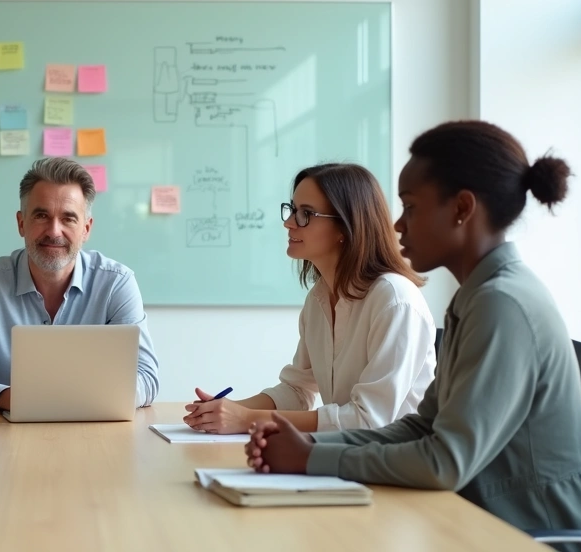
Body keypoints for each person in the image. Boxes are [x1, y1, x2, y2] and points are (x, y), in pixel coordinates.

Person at [244, 121, 581, 541]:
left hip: (537, 535)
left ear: (461, 209)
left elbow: (444, 462)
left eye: (411, 207)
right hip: (485, 520)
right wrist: (312, 447)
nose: (397, 225)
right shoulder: (476, 297)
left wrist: (312, 458)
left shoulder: (500, 304)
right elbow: (422, 427)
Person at [184, 163, 436, 434]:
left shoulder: (395, 301)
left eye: (306, 214)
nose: (288, 223)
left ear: (345, 226)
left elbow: (368, 420)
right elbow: (297, 390)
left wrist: (246, 419)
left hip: (395, 455)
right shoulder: (318, 299)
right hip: (347, 451)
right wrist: (226, 410)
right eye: (292, 209)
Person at [0, 157, 159, 413]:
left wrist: (70, 400)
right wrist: (18, 399)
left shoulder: (116, 284)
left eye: (68, 218)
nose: (54, 231)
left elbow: (146, 377)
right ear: (21, 223)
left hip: (95, 428)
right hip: (5, 429)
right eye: (42, 216)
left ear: (86, 229)